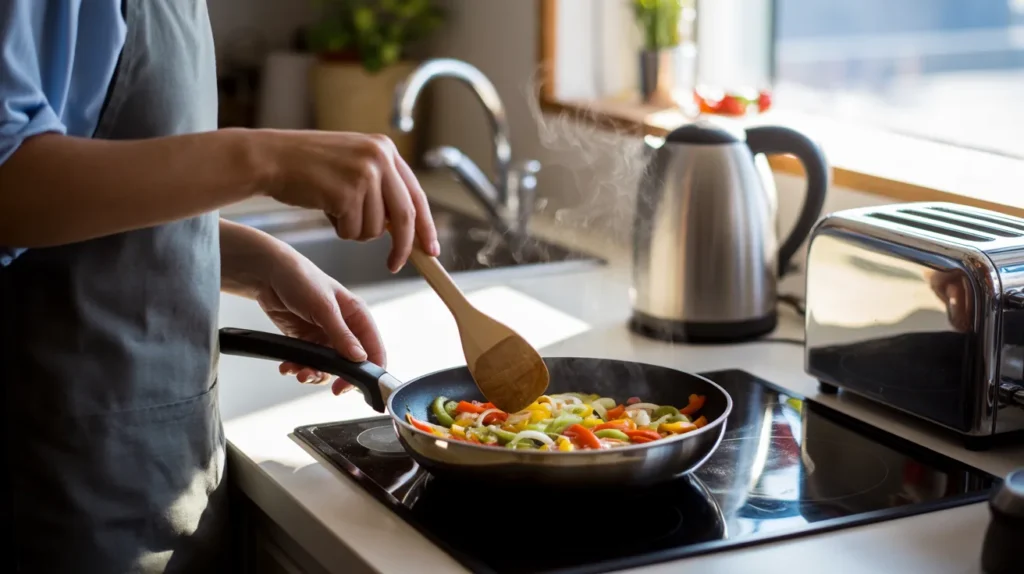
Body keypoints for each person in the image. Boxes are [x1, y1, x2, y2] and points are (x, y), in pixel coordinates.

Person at [0, 1, 439, 572]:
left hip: (168, 472)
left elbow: (101, 194)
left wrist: (252, 261)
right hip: (49, 479)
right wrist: (266, 158)